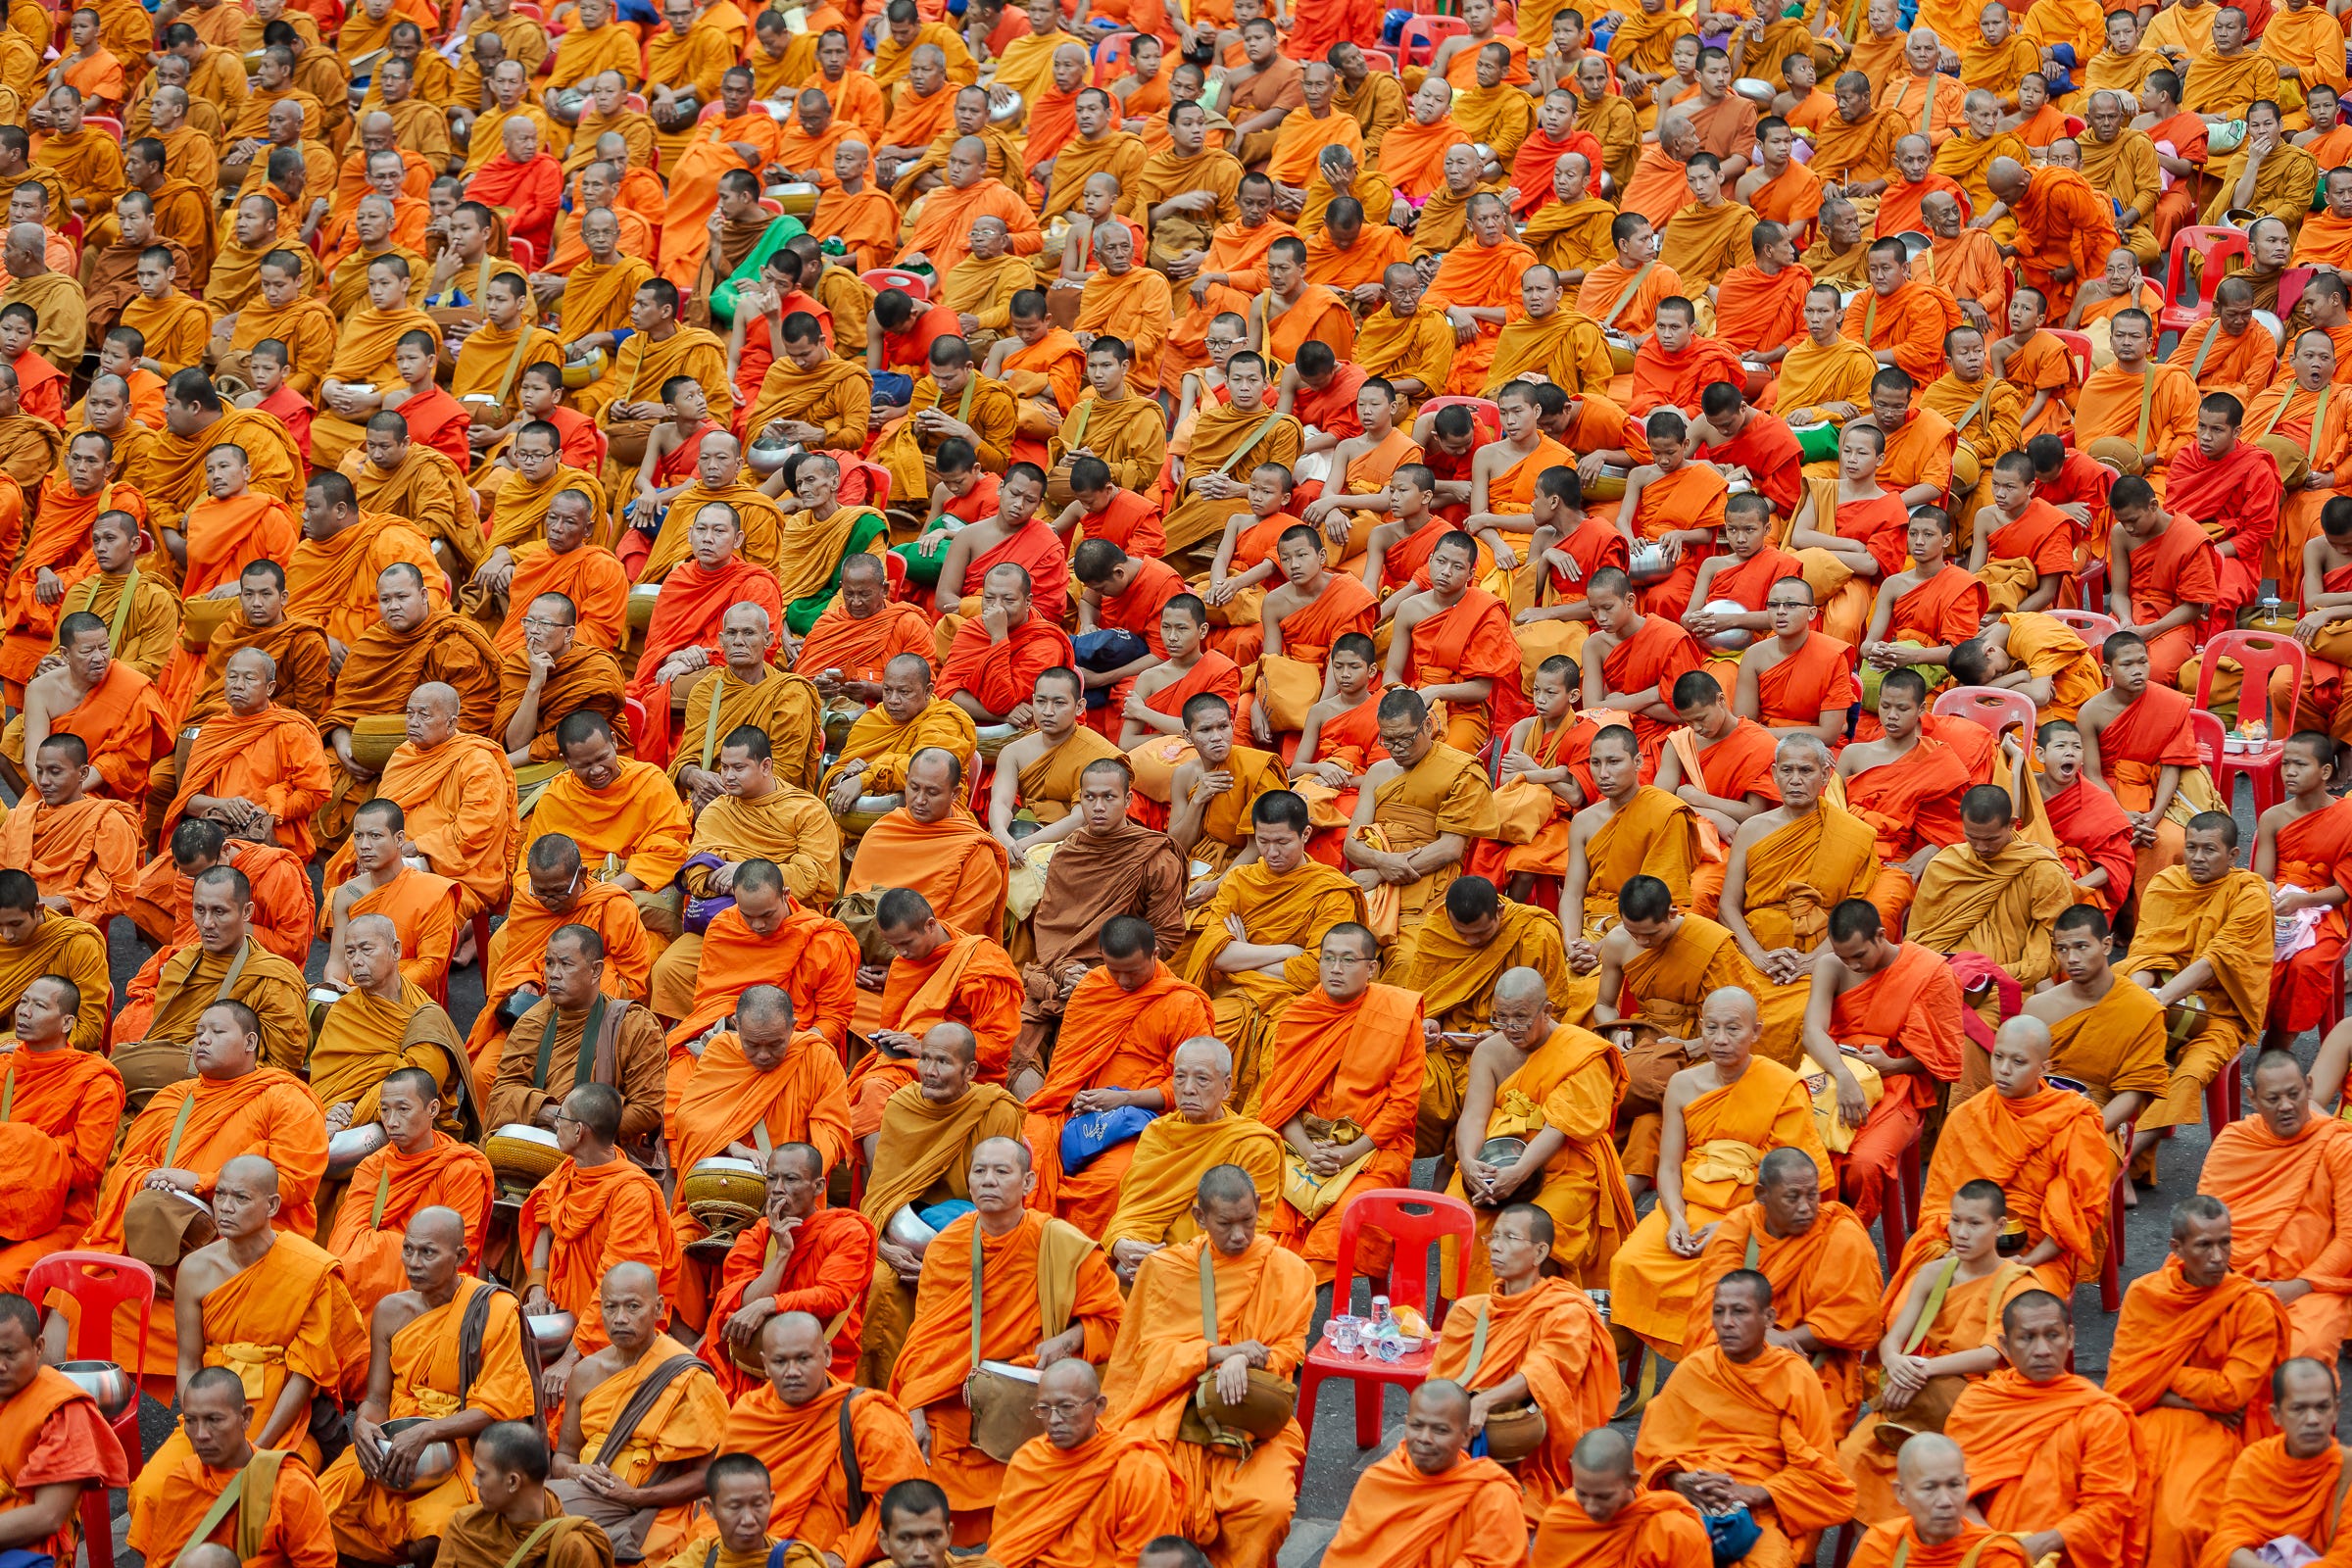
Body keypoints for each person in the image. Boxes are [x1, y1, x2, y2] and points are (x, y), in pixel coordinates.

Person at [883, 1137, 1122, 1542]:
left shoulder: (1061, 1244)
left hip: (1031, 1400)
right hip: (956, 1400)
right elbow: (927, 1340)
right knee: (911, 1458)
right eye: (980, 1172)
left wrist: (1067, 1341)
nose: (988, 1181)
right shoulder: (947, 1249)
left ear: (1028, 1183)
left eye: (1001, 1171)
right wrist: (915, 1406)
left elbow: (1114, 1321)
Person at [1103, 1165, 1313, 1568]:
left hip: (1254, 1421)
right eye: (1225, 1224)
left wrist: (1252, 1357)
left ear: (1259, 1208)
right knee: (1140, 1487)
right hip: (1172, 1414)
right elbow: (1143, 1356)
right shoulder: (1165, 1270)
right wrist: (1215, 1355)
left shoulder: (1290, 1271)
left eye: (1248, 1221)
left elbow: (1291, 1349)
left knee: (1268, 1507)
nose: (1239, 1235)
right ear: (1200, 1218)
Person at [1606, 988, 1831, 1360]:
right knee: (1628, 1263)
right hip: (1689, 1203)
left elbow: (1791, 1185)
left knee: (1723, 1285)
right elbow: (1668, 1166)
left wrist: (1735, 1227)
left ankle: (1717, 1368)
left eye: (1733, 1029)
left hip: (1753, 1213)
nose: (1720, 1040)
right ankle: (1634, 1357)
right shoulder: (1683, 1084)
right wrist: (1675, 1217)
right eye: (1711, 1028)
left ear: (1756, 1032)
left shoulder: (1781, 1086)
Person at [317, 1206, 534, 1564]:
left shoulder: (493, 1309)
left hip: (460, 1443)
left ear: (460, 1257)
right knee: (325, 1511)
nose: (413, 1262)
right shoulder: (390, 1310)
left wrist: (429, 1433)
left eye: (428, 1253)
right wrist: (365, 1428)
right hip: (394, 1439)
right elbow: (375, 1397)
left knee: (436, 1533)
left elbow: (498, 1407)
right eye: (408, 1249)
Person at [138, 1155, 366, 1488]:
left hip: (283, 1422)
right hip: (211, 1414)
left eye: (240, 1198)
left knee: (271, 1494)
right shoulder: (195, 1269)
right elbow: (188, 1362)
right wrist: (201, 1427)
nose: (225, 1207)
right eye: (220, 1195)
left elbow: (303, 1378)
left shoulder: (307, 1269)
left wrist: (257, 1449)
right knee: (152, 1490)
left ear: (272, 1205)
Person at [1837, 1181, 2038, 1523]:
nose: (1961, 1233)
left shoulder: (2018, 1284)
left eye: (1974, 1224)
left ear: (2000, 1227)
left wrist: (1921, 1370)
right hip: (1917, 1389)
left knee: (1903, 1446)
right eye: (1955, 1221)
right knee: (1851, 1457)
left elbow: (1991, 1356)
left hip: (1975, 1403)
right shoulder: (1933, 1273)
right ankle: (1885, 1553)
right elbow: (1892, 1338)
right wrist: (1896, 1362)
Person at [2108, 1196, 2291, 1567]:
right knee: (2113, 1507)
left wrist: (2157, 1376)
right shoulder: (2146, 1294)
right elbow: (2120, 1388)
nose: (2218, 1257)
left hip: (2218, 1428)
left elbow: (2231, 1393)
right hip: (2147, 1418)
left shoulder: (2250, 1304)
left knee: (2182, 1523)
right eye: (2204, 1245)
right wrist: (2178, 1396)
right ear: (2176, 1249)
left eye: (2225, 1242)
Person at [1631, 1271, 1859, 1566]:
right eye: (1719, 1312)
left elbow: (1819, 1473)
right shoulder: (1695, 1370)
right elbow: (1650, 1452)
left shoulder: (1794, 1377)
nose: (1726, 1323)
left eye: (1739, 1311)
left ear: (1768, 1318)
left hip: (1760, 1510)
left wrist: (1756, 1492)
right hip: (1687, 1501)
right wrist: (1676, 1479)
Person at [1886, 1018, 2110, 1304]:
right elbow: (1940, 1204)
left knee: (2014, 1315)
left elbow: (2073, 1217)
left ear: (2044, 1068)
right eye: (1998, 1057)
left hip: (2035, 1252)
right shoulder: (1968, 1117)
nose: (2003, 1070)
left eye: (2018, 1062)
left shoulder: (2073, 1120)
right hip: (1963, 1241)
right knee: (1905, 1308)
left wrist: (2022, 1261)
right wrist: (1955, 1248)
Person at [855, 1025, 1026, 1381]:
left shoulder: (995, 1111)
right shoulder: (902, 1106)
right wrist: (884, 1248)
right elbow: (881, 1193)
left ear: (970, 1072)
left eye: (943, 1062)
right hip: (899, 1238)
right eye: (926, 1059)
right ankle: (877, 1392)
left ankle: (948, 1388)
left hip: (971, 1242)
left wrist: (941, 1261)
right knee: (877, 1283)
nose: (930, 1072)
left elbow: (999, 1200)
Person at [1426, 1204, 1615, 1523]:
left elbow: (1547, 1369)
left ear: (1540, 1251)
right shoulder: (1469, 1311)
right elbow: (1440, 1381)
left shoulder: (1566, 1310)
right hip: (1464, 1435)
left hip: (1530, 1447)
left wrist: (1486, 1400)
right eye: (1493, 1237)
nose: (1496, 1246)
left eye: (1510, 1237)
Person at [1020, 917, 1210, 1231]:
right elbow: (1068, 1063)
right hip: (1075, 1108)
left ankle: (1084, 1259)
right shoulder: (1094, 987)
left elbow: (1190, 1088)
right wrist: (1074, 1095)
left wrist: (1122, 1099)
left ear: (1156, 955)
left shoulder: (1183, 1004)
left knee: (1111, 1180)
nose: (1122, 981)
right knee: (1029, 1145)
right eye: (1114, 970)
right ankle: (1027, 1240)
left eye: (1133, 972)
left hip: (1142, 1119)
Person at [1257, 923, 1425, 1277]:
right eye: (1328, 958)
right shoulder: (1297, 1017)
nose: (1336, 968)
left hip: (1372, 1148)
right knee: (1264, 1207)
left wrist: (1350, 1152)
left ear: (1372, 968)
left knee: (1349, 1215)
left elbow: (1402, 1105)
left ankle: (1324, 1315)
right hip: (1299, 1144)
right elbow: (1280, 1099)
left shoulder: (1398, 1014)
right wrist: (1307, 1151)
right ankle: (1272, 1315)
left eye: (1348, 960)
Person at [1684, 1146, 1883, 1433]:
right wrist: (1764, 1339)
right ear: (1762, 1195)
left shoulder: (1841, 1234)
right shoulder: (1738, 1228)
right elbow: (1710, 1308)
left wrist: (1782, 1340)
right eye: (1793, 1197)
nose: (1806, 1207)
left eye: (1812, 1194)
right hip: (1737, 1352)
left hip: (1813, 1361)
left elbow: (1852, 1318)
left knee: (1796, 1432)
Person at [2117, 811, 2273, 1179]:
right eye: (2191, 848)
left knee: (2188, 1075)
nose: (2197, 858)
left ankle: (2118, 1162)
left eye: (2209, 850)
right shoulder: (2166, 884)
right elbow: (2146, 954)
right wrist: (2137, 1002)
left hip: (2220, 1014)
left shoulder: (2248, 894)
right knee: (2119, 1049)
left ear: (2233, 856)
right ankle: (2119, 1157)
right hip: (2161, 995)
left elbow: (2214, 961)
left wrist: (2157, 1002)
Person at [548, 1261, 729, 1562]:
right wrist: (574, 1470)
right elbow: (564, 1455)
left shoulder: (686, 1375)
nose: (620, 1319)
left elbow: (709, 1476)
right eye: (610, 1307)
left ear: (658, 1308)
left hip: (656, 1508)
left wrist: (634, 1496)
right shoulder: (586, 1372)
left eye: (633, 1307)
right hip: (588, 1495)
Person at [1943, 1291, 2143, 1564]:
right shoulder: (1979, 1404)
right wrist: (1993, 1544)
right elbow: (1953, 1488)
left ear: (2070, 1337)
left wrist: (2043, 1543)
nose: (2042, 1350)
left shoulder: (2100, 1414)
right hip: (1985, 1550)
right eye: (2027, 1338)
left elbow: (2108, 1504)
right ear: (2005, 1345)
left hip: (2063, 1554)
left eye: (2053, 1335)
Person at [516, 1086, 681, 1379]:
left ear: (579, 1131)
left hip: (606, 1339)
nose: (555, 1125)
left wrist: (571, 1358)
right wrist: (538, 1283)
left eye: (560, 1119)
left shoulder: (631, 1194)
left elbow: (620, 1287)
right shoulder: (570, 1170)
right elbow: (544, 1219)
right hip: (559, 1321)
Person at [2198, 1051, 2352, 1361]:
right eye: (2273, 1099)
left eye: (2294, 1095)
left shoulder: (2339, 1146)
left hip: (2309, 1285)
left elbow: (2349, 1239)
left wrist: (2295, 1287)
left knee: (2302, 1351)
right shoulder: (2235, 1142)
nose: (2286, 1106)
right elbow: (2205, 1222)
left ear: (2309, 1087)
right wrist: (2232, 1281)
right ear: (2252, 1099)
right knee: (2175, 1323)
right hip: (2230, 1275)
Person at [699, 1145, 876, 1394]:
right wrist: (782, 1253)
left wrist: (772, 1304)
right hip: (753, 1367)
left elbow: (833, 1296)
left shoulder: (846, 1232)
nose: (778, 1189)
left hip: (816, 1370)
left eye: (791, 1179)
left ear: (819, 1186)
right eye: (772, 1178)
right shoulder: (757, 1235)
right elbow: (744, 1303)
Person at [113, 864, 310, 1085]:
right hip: (167, 1088)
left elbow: (282, 1068)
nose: (207, 923)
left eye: (219, 911)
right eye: (199, 910)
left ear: (247, 912)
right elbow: (164, 1042)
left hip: (238, 1094)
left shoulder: (274, 978)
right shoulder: (180, 965)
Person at [124, 1366, 337, 1568]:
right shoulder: (182, 1481)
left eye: (213, 1420)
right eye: (191, 1421)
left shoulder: (289, 1487)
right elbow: (161, 1561)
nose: (200, 1435)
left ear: (245, 1418)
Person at [325, 1067, 494, 1315]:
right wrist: (420, 1252)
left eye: (403, 1109)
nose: (391, 1121)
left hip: (432, 1306)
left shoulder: (460, 1170)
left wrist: (384, 1248)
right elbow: (344, 1247)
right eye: (385, 1109)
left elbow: (456, 1257)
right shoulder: (374, 1166)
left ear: (432, 1109)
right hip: (366, 1300)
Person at [987, 1358, 1185, 1568]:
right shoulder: (1027, 1461)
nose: (1053, 1420)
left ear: (1099, 1406)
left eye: (1066, 1407)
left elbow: (1141, 1560)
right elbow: (1006, 1549)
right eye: (1044, 1408)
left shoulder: (1139, 1469)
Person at [489, 926, 669, 1145]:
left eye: (565, 964)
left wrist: (584, 1132)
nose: (553, 974)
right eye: (549, 963)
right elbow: (501, 1097)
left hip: (601, 1154)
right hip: (534, 1146)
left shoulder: (634, 1025)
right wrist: (548, 1113)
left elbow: (647, 1109)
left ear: (596, 970)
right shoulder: (533, 1021)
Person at [1317, 1380, 1523, 1568]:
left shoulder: (1493, 1498)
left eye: (1440, 1430)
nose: (1424, 1438)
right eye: (1416, 1426)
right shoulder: (1379, 1481)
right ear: (1406, 1424)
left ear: (1466, 1435)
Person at [0, 1290, 129, 1565]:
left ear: (39, 1347)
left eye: (9, 1354)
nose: (0, 1366)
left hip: (25, 1546)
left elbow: (47, 1516)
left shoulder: (62, 1408)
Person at [2198, 1358, 2352, 1564]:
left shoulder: (2348, 1470)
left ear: (2336, 1411)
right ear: (2276, 1414)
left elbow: (2346, 1556)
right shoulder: (2255, 1462)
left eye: (2322, 1407)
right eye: (2299, 1409)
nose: (2312, 1419)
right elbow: (2227, 1540)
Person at [0, 734, 137, 923]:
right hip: (12, 928)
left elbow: (120, 891)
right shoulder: (19, 819)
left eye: (55, 771)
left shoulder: (106, 820)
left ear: (83, 773)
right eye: (39, 771)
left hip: (75, 930)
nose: (44, 781)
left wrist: (62, 902)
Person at [1844, 1434, 2034, 1568]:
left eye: (1954, 1485)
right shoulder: (1881, 1545)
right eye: (1930, 1488)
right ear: (1901, 1493)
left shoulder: (1993, 1555)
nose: (1945, 1501)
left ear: (1967, 1485)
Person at [1531, 1429, 1711, 1565]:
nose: (1591, 1507)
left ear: (1632, 1480)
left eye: (1604, 1497)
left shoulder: (1674, 1532)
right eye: (1582, 1493)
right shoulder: (1561, 1519)